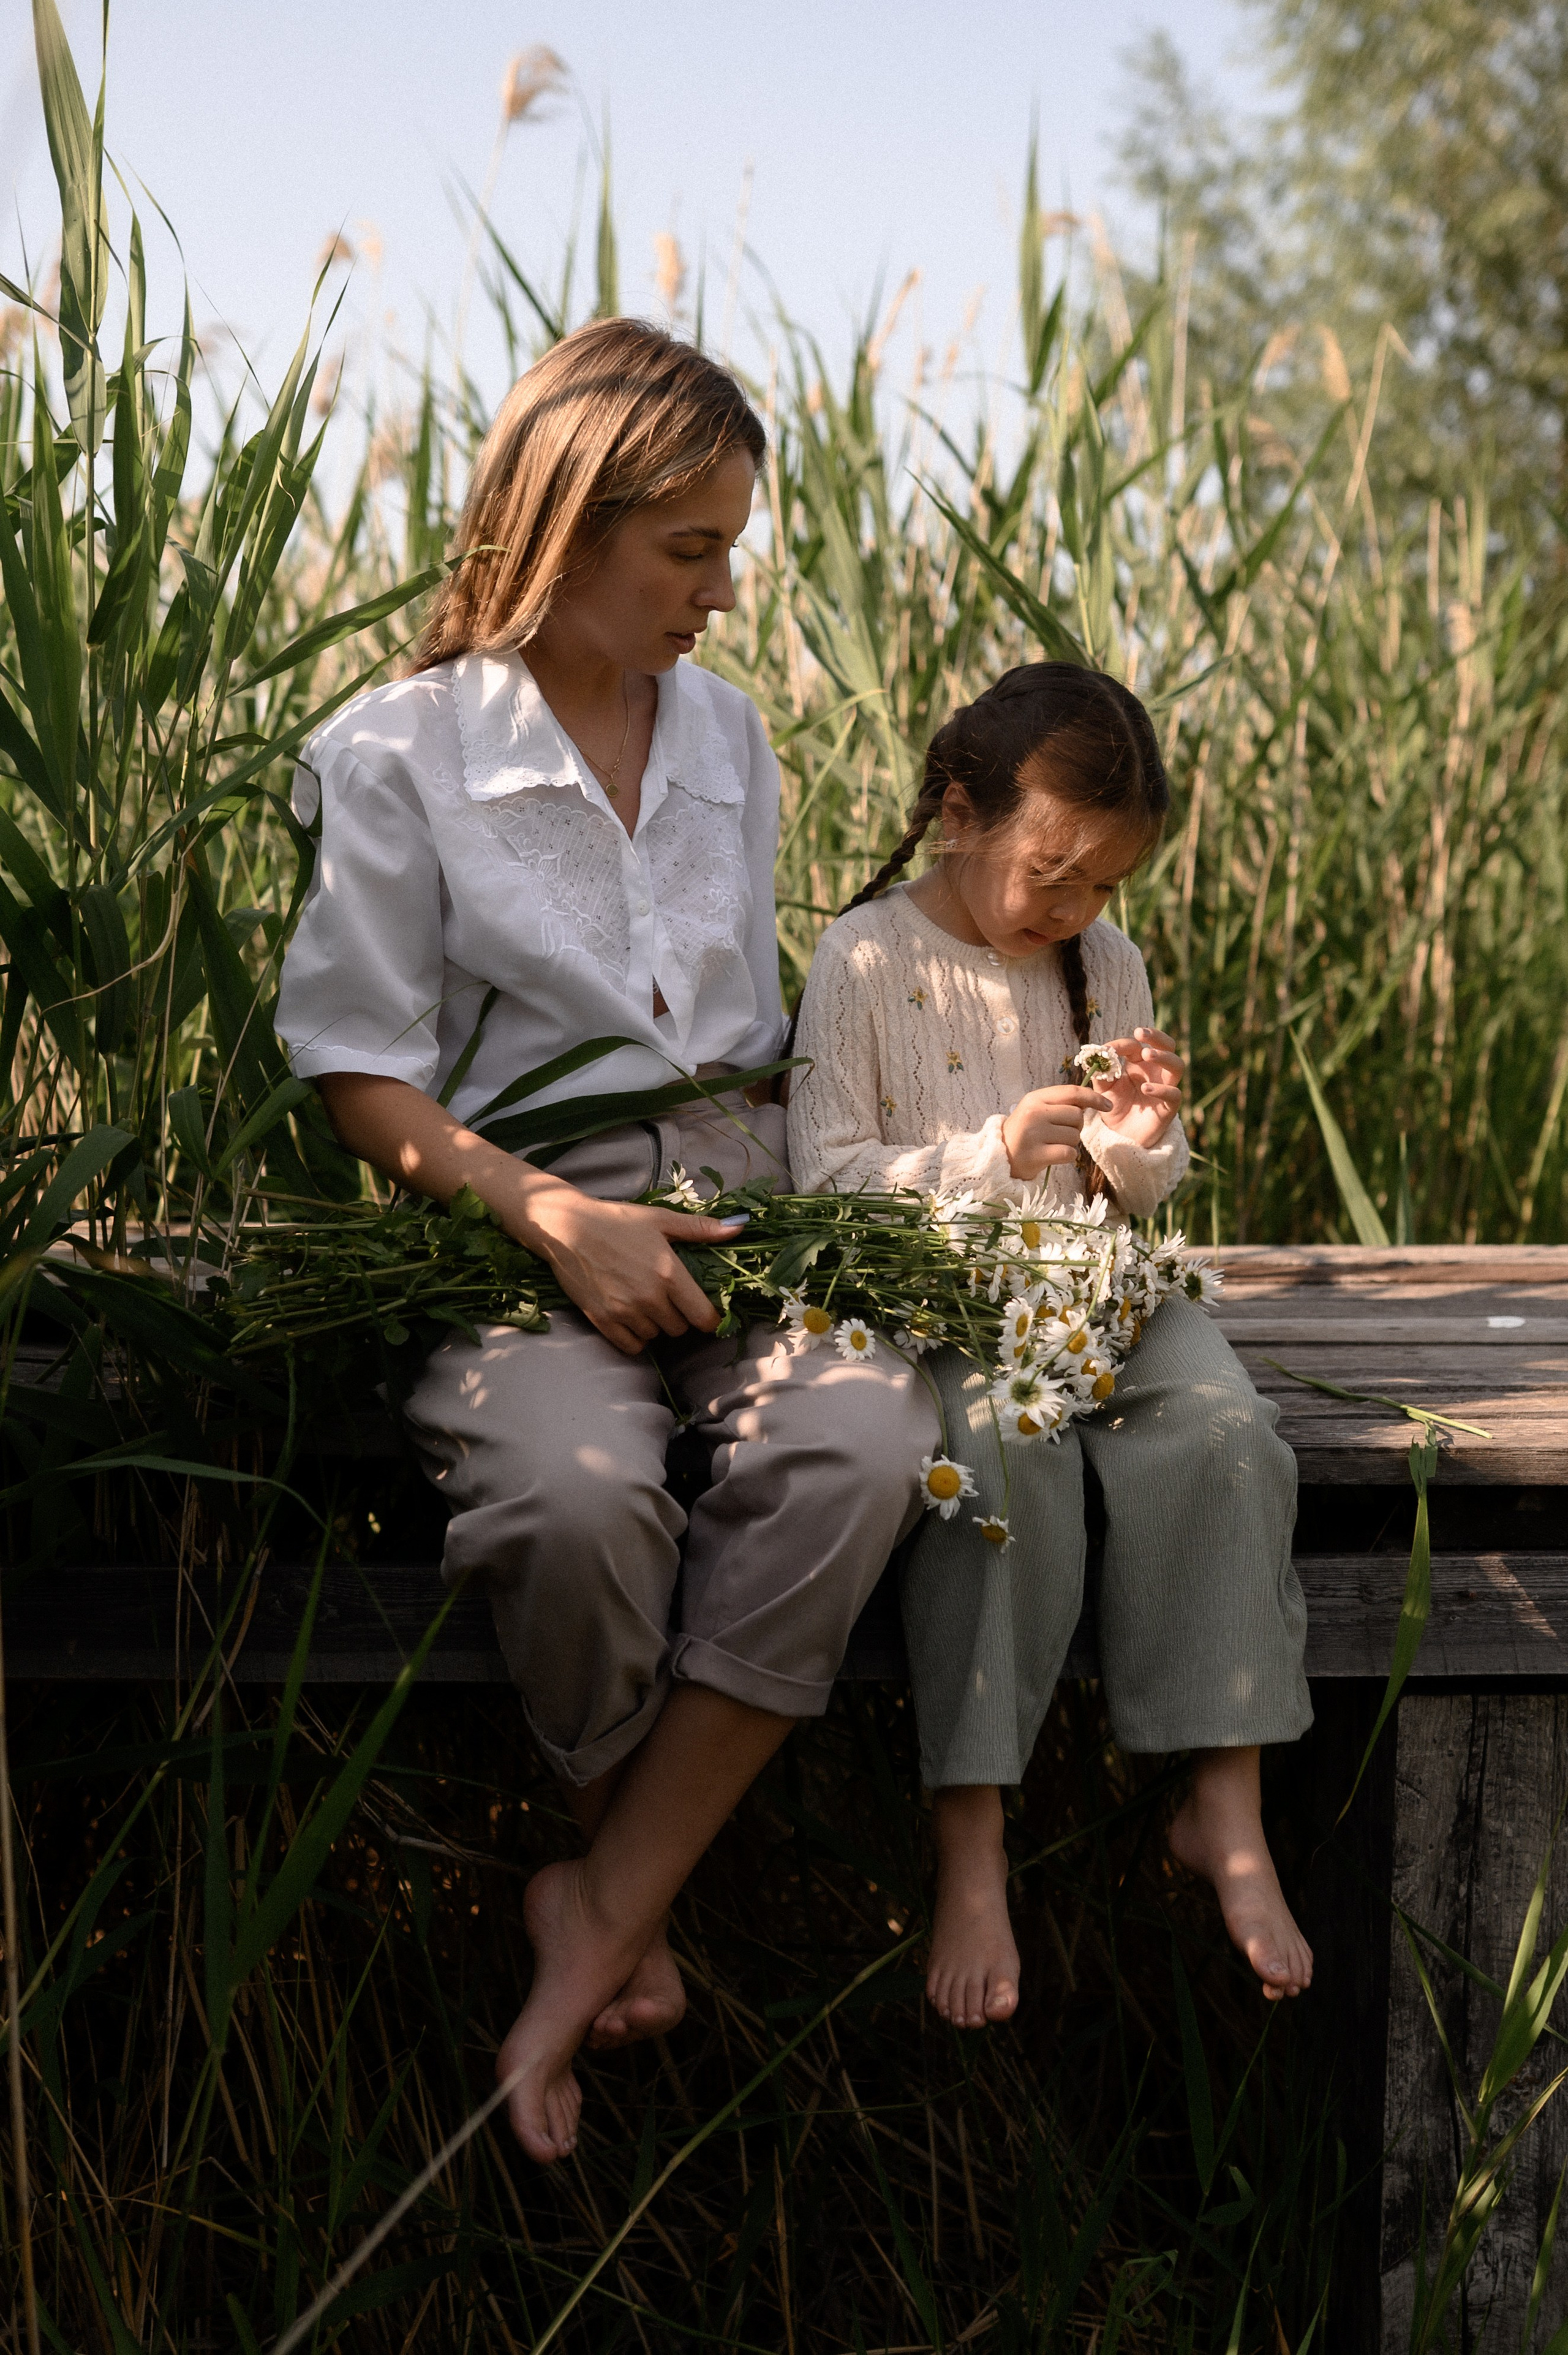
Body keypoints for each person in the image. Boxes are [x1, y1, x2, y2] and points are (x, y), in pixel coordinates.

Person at [275, 319, 934, 2164]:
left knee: (860, 1442)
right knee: (570, 1499)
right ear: (562, 526)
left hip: (746, 1188)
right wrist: (553, 1216)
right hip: (511, 1215)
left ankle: (601, 1908)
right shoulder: (392, 752)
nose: (723, 592)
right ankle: (625, 1892)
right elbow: (359, 1071)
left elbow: (749, 1018)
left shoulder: (727, 729)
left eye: (731, 547)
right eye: (689, 549)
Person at [786, 663, 1314, 2029]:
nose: (1073, 910)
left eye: (1103, 885)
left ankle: (1225, 1802)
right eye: (1051, 873)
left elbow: (1133, 1185)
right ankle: (972, 1838)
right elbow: (826, 1181)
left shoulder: (1102, 960)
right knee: (1004, 1462)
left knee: (1227, 1434)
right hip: (955, 1303)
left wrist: (1139, 1142)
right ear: (959, 812)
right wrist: (989, 1153)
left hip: (1099, 1283)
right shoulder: (864, 960)